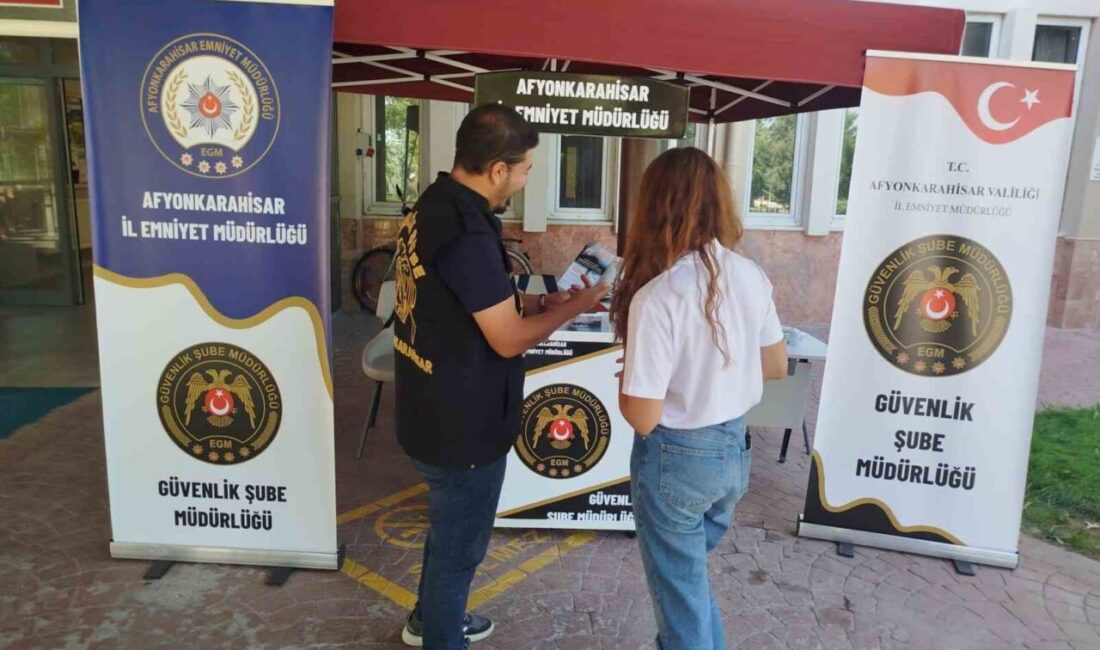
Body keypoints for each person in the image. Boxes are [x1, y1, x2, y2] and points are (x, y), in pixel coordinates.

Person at [390, 104, 608, 649]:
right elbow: (506, 337)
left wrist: (538, 300)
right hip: (461, 425)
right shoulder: (466, 229)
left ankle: (429, 618)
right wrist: (575, 306)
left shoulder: (435, 203)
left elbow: (465, 296)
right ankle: (442, 634)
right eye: (526, 167)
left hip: (426, 408)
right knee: (460, 551)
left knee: (448, 534)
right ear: (497, 170)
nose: (527, 177)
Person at [611, 147, 789, 650]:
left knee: (680, 596)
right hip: (734, 450)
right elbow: (774, 365)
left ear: (652, 208)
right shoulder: (749, 274)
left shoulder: (658, 296)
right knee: (688, 581)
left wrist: (634, 380)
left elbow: (642, 417)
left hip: (676, 457)